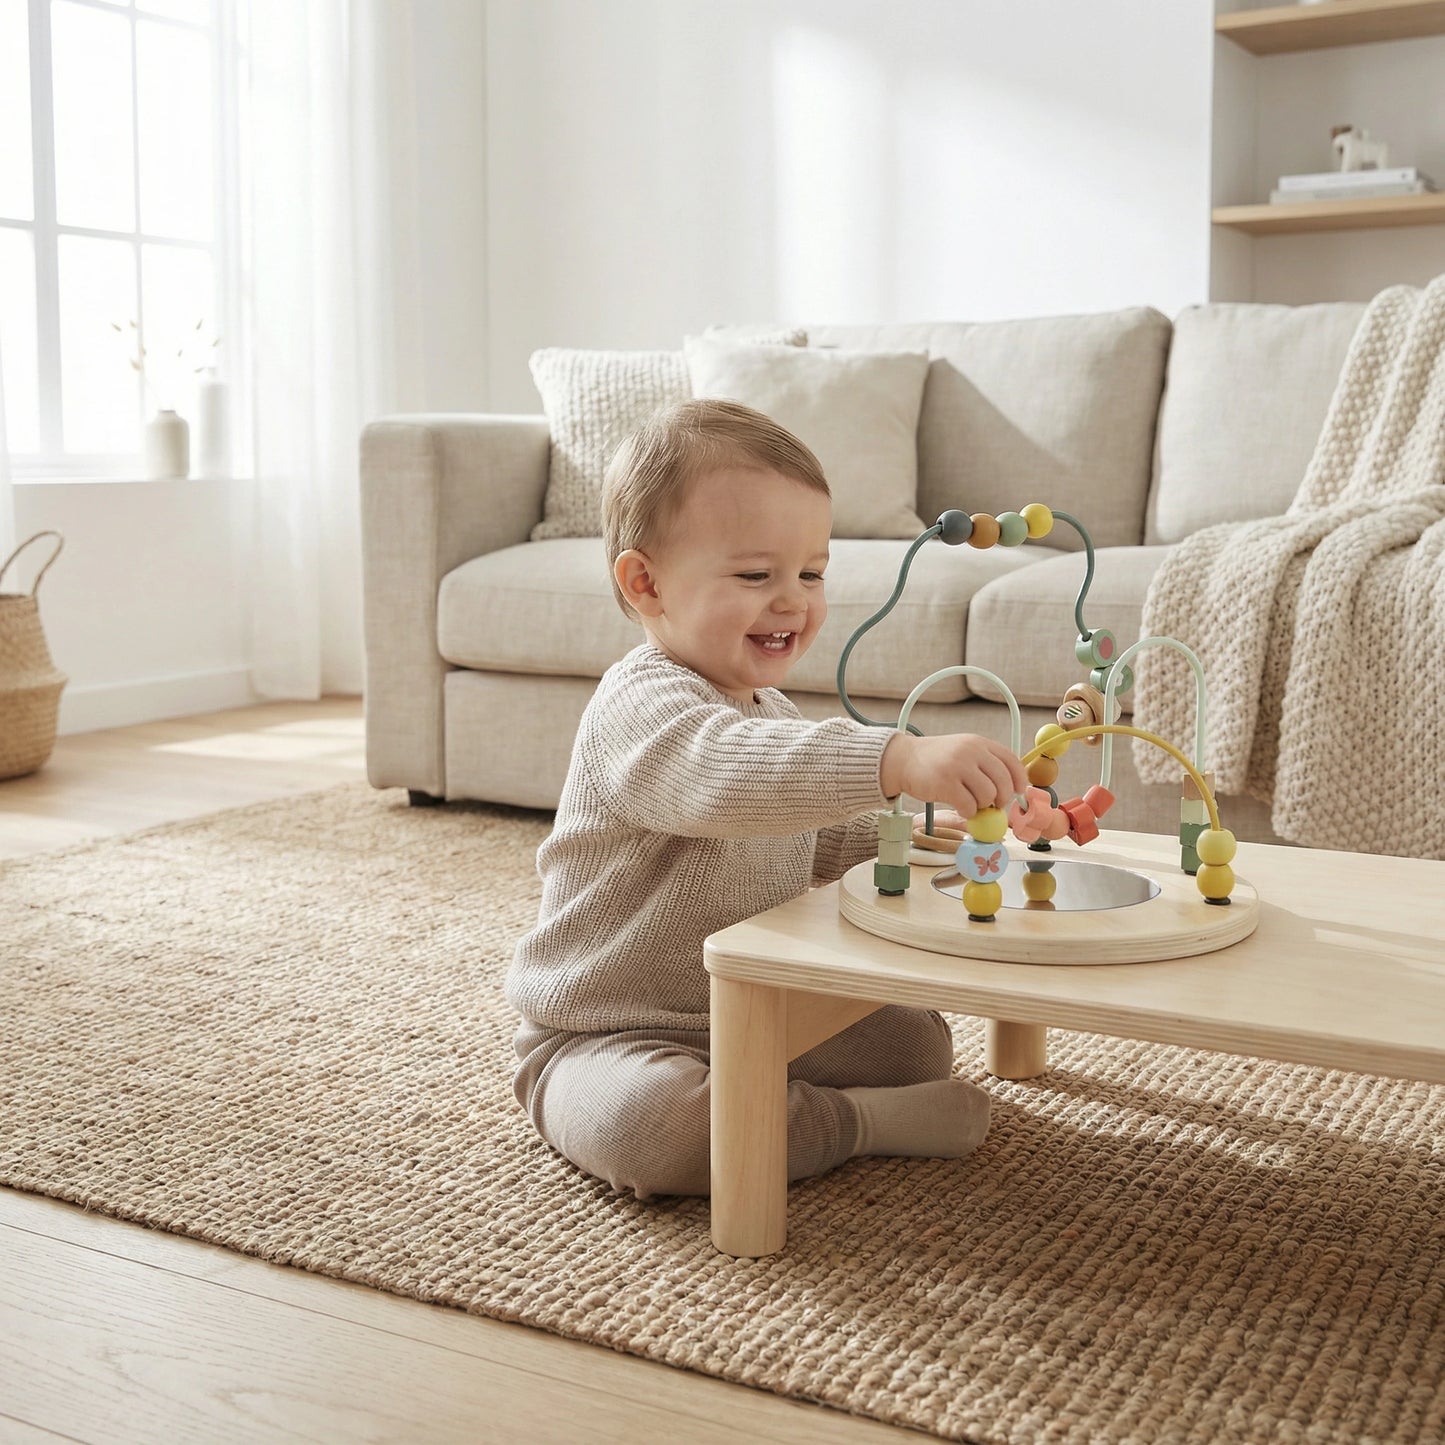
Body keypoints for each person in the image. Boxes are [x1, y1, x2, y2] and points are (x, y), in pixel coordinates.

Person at [506, 398, 1029, 1200]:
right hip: (606, 1030)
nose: (793, 601)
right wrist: (894, 754)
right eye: (756, 576)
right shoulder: (639, 706)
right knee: (663, 1131)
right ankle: (852, 1125)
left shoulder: (766, 713)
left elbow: (812, 830)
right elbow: (726, 775)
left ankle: (782, 1103)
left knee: (914, 1046)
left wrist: (926, 839)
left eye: (811, 573)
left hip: (749, 1006)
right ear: (645, 583)